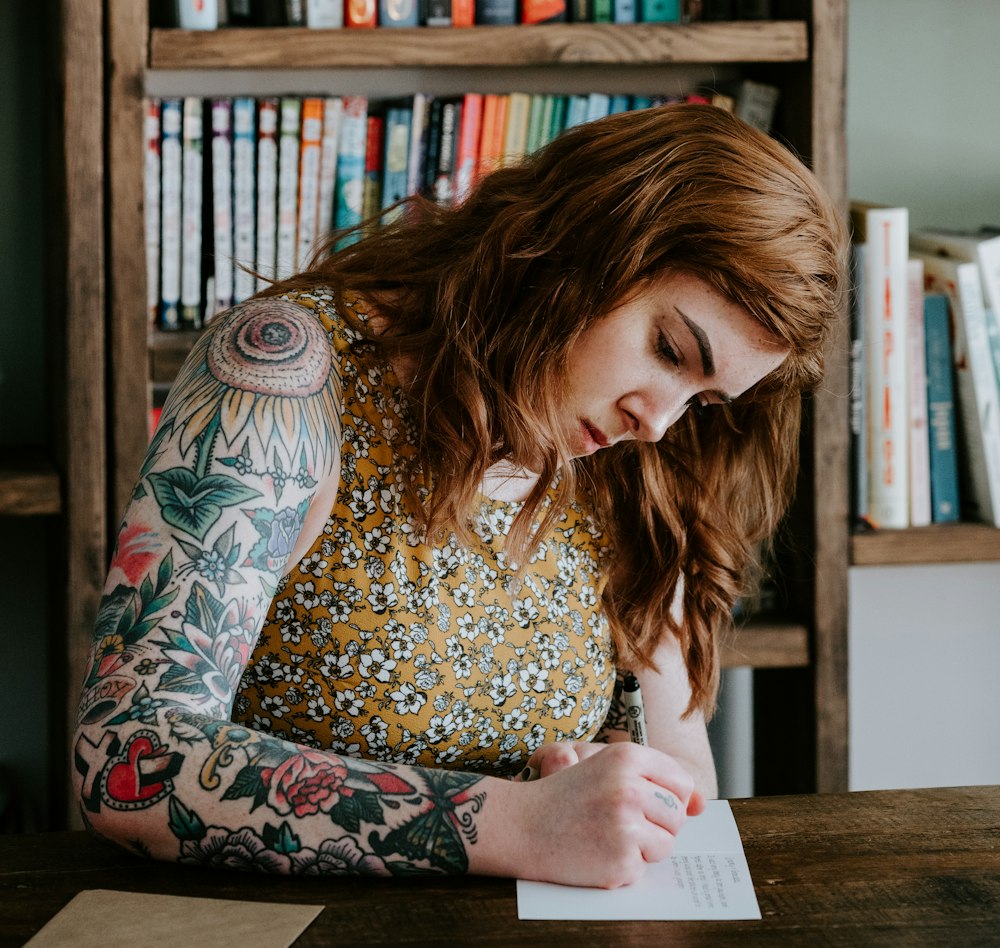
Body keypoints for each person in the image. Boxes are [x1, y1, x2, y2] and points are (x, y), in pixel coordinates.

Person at [73, 103, 845, 887]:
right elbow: (130, 754)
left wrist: (612, 789)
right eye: (669, 349)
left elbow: (686, 784)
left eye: (704, 400)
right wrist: (515, 822)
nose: (658, 419)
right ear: (583, 244)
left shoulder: (635, 462)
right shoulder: (288, 376)